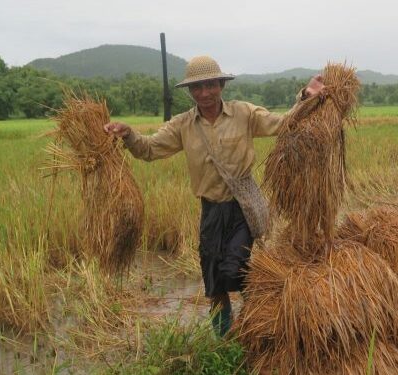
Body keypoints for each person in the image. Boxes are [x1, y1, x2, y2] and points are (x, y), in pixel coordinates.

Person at [103, 55, 325, 337]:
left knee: (235, 269)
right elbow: (148, 149)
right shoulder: (183, 125)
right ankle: (223, 337)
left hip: (242, 208)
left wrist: (306, 96)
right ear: (190, 92)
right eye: (197, 88)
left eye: (210, 85)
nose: (204, 93)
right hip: (210, 212)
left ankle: (259, 323)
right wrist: (127, 134)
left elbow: (283, 124)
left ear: (221, 85)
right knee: (214, 281)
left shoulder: (244, 114)